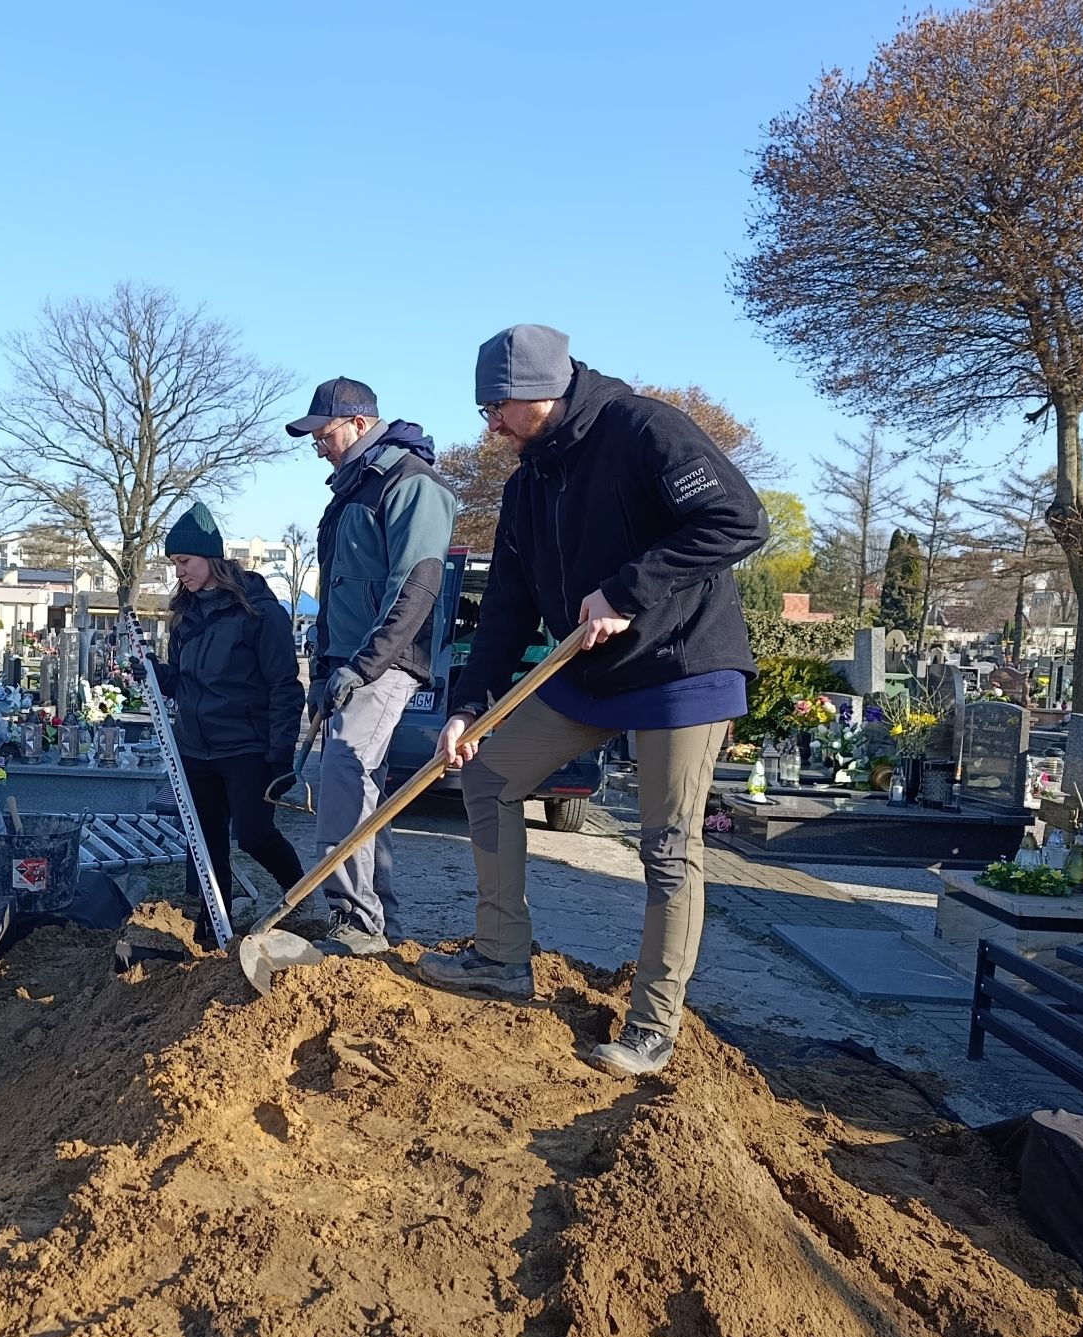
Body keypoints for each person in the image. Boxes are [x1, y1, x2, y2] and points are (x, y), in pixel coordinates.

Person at [427, 325, 767, 1078]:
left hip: (682, 670)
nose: (491, 426)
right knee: (485, 776)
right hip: (588, 674)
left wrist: (626, 590)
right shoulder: (528, 483)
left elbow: (737, 520)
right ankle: (500, 957)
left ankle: (653, 1026)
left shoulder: (643, 429)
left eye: (499, 409)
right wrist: (468, 707)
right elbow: (509, 604)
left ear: (542, 394)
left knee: (668, 847)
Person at [286, 377, 457, 955]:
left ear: (359, 423)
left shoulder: (410, 484)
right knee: (362, 793)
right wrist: (323, 667)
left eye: (323, 432)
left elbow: (415, 585)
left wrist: (363, 665)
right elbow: (338, 589)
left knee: (344, 780)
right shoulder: (351, 490)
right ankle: (376, 920)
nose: (316, 445)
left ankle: (355, 921)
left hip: (383, 665)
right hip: (349, 664)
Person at [156, 502, 306, 928]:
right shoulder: (184, 615)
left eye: (184, 560)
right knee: (205, 845)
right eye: (173, 563)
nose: (178, 571)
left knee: (256, 834)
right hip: (195, 749)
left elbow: (284, 685)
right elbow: (183, 681)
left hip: (245, 747)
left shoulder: (259, 613)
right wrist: (154, 673)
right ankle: (212, 924)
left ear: (211, 557)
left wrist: (281, 756)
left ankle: (300, 894)